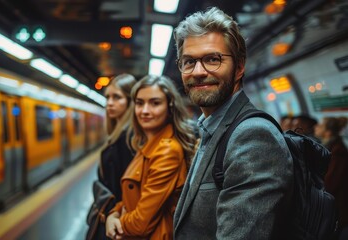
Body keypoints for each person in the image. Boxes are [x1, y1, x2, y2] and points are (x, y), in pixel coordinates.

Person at [172, 7, 294, 239]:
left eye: (212, 59)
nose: (198, 71)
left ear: (239, 68)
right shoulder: (212, 127)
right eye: (189, 62)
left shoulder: (253, 136)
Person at [105, 75, 196, 239]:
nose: (145, 111)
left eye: (155, 103)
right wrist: (113, 214)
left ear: (170, 106)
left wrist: (117, 223)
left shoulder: (166, 151)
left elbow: (141, 224)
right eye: (139, 103)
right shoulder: (146, 145)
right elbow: (133, 199)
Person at [86, 73, 137, 240]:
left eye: (117, 97)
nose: (109, 103)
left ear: (130, 101)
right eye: (108, 97)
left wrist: (113, 214)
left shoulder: (129, 139)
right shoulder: (118, 135)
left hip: (118, 221)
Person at [314, 117, 348, 233]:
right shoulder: (329, 148)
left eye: (321, 126)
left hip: (338, 207)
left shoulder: (337, 152)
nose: (316, 127)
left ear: (328, 132)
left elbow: (330, 183)